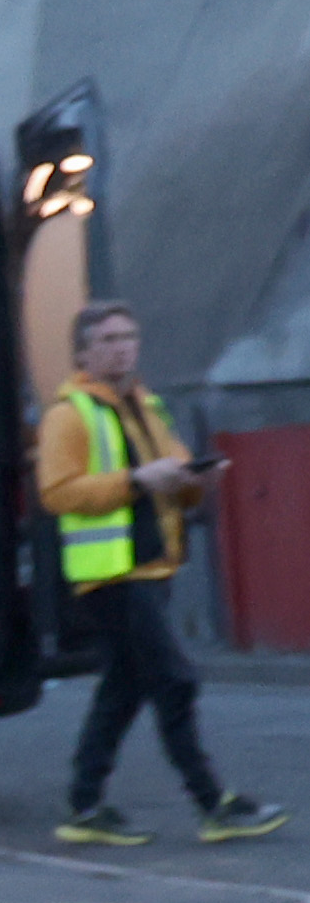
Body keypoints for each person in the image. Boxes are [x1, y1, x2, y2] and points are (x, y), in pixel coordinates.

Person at [44, 301, 279, 845]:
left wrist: (196, 480)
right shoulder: (69, 414)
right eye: (107, 339)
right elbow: (56, 492)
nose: (122, 347)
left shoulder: (147, 407)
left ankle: (84, 806)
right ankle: (211, 802)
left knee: (123, 688)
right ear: (83, 353)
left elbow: (171, 476)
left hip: (152, 567)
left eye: (128, 336)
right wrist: (137, 479)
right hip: (111, 574)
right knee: (174, 680)